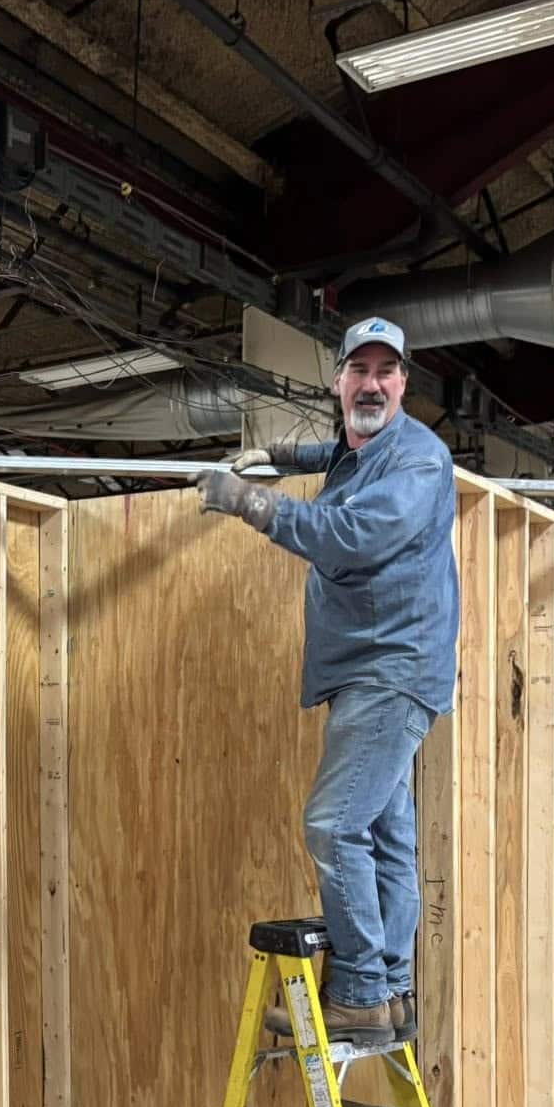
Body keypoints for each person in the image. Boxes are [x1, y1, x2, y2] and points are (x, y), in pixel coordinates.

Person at [197, 316, 458, 1046]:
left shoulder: (418, 462)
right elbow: (337, 452)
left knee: (333, 823)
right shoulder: (360, 446)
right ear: (339, 381)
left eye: (386, 372)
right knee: (382, 830)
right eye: (359, 371)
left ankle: (361, 996)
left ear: (405, 383)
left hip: (390, 666)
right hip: (376, 664)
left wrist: (251, 501)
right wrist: (277, 454)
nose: (371, 384)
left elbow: (350, 539)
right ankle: (394, 990)